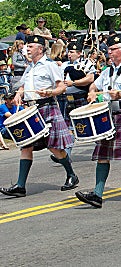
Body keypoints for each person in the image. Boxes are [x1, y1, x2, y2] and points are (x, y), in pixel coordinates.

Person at [74, 34, 121, 208]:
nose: (109, 52)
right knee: (103, 155)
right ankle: (97, 194)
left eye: (113, 49)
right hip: (109, 116)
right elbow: (94, 84)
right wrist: (92, 91)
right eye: (108, 49)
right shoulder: (108, 71)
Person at [0, 35, 78, 197]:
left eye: (30, 46)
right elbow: (23, 85)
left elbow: (61, 88)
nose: (27, 48)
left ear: (40, 49)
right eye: (27, 46)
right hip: (31, 110)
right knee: (26, 146)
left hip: (47, 107)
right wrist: (19, 94)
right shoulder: (30, 67)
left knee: (54, 147)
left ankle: (71, 175)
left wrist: (50, 92)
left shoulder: (49, 65)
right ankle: (20, 186)